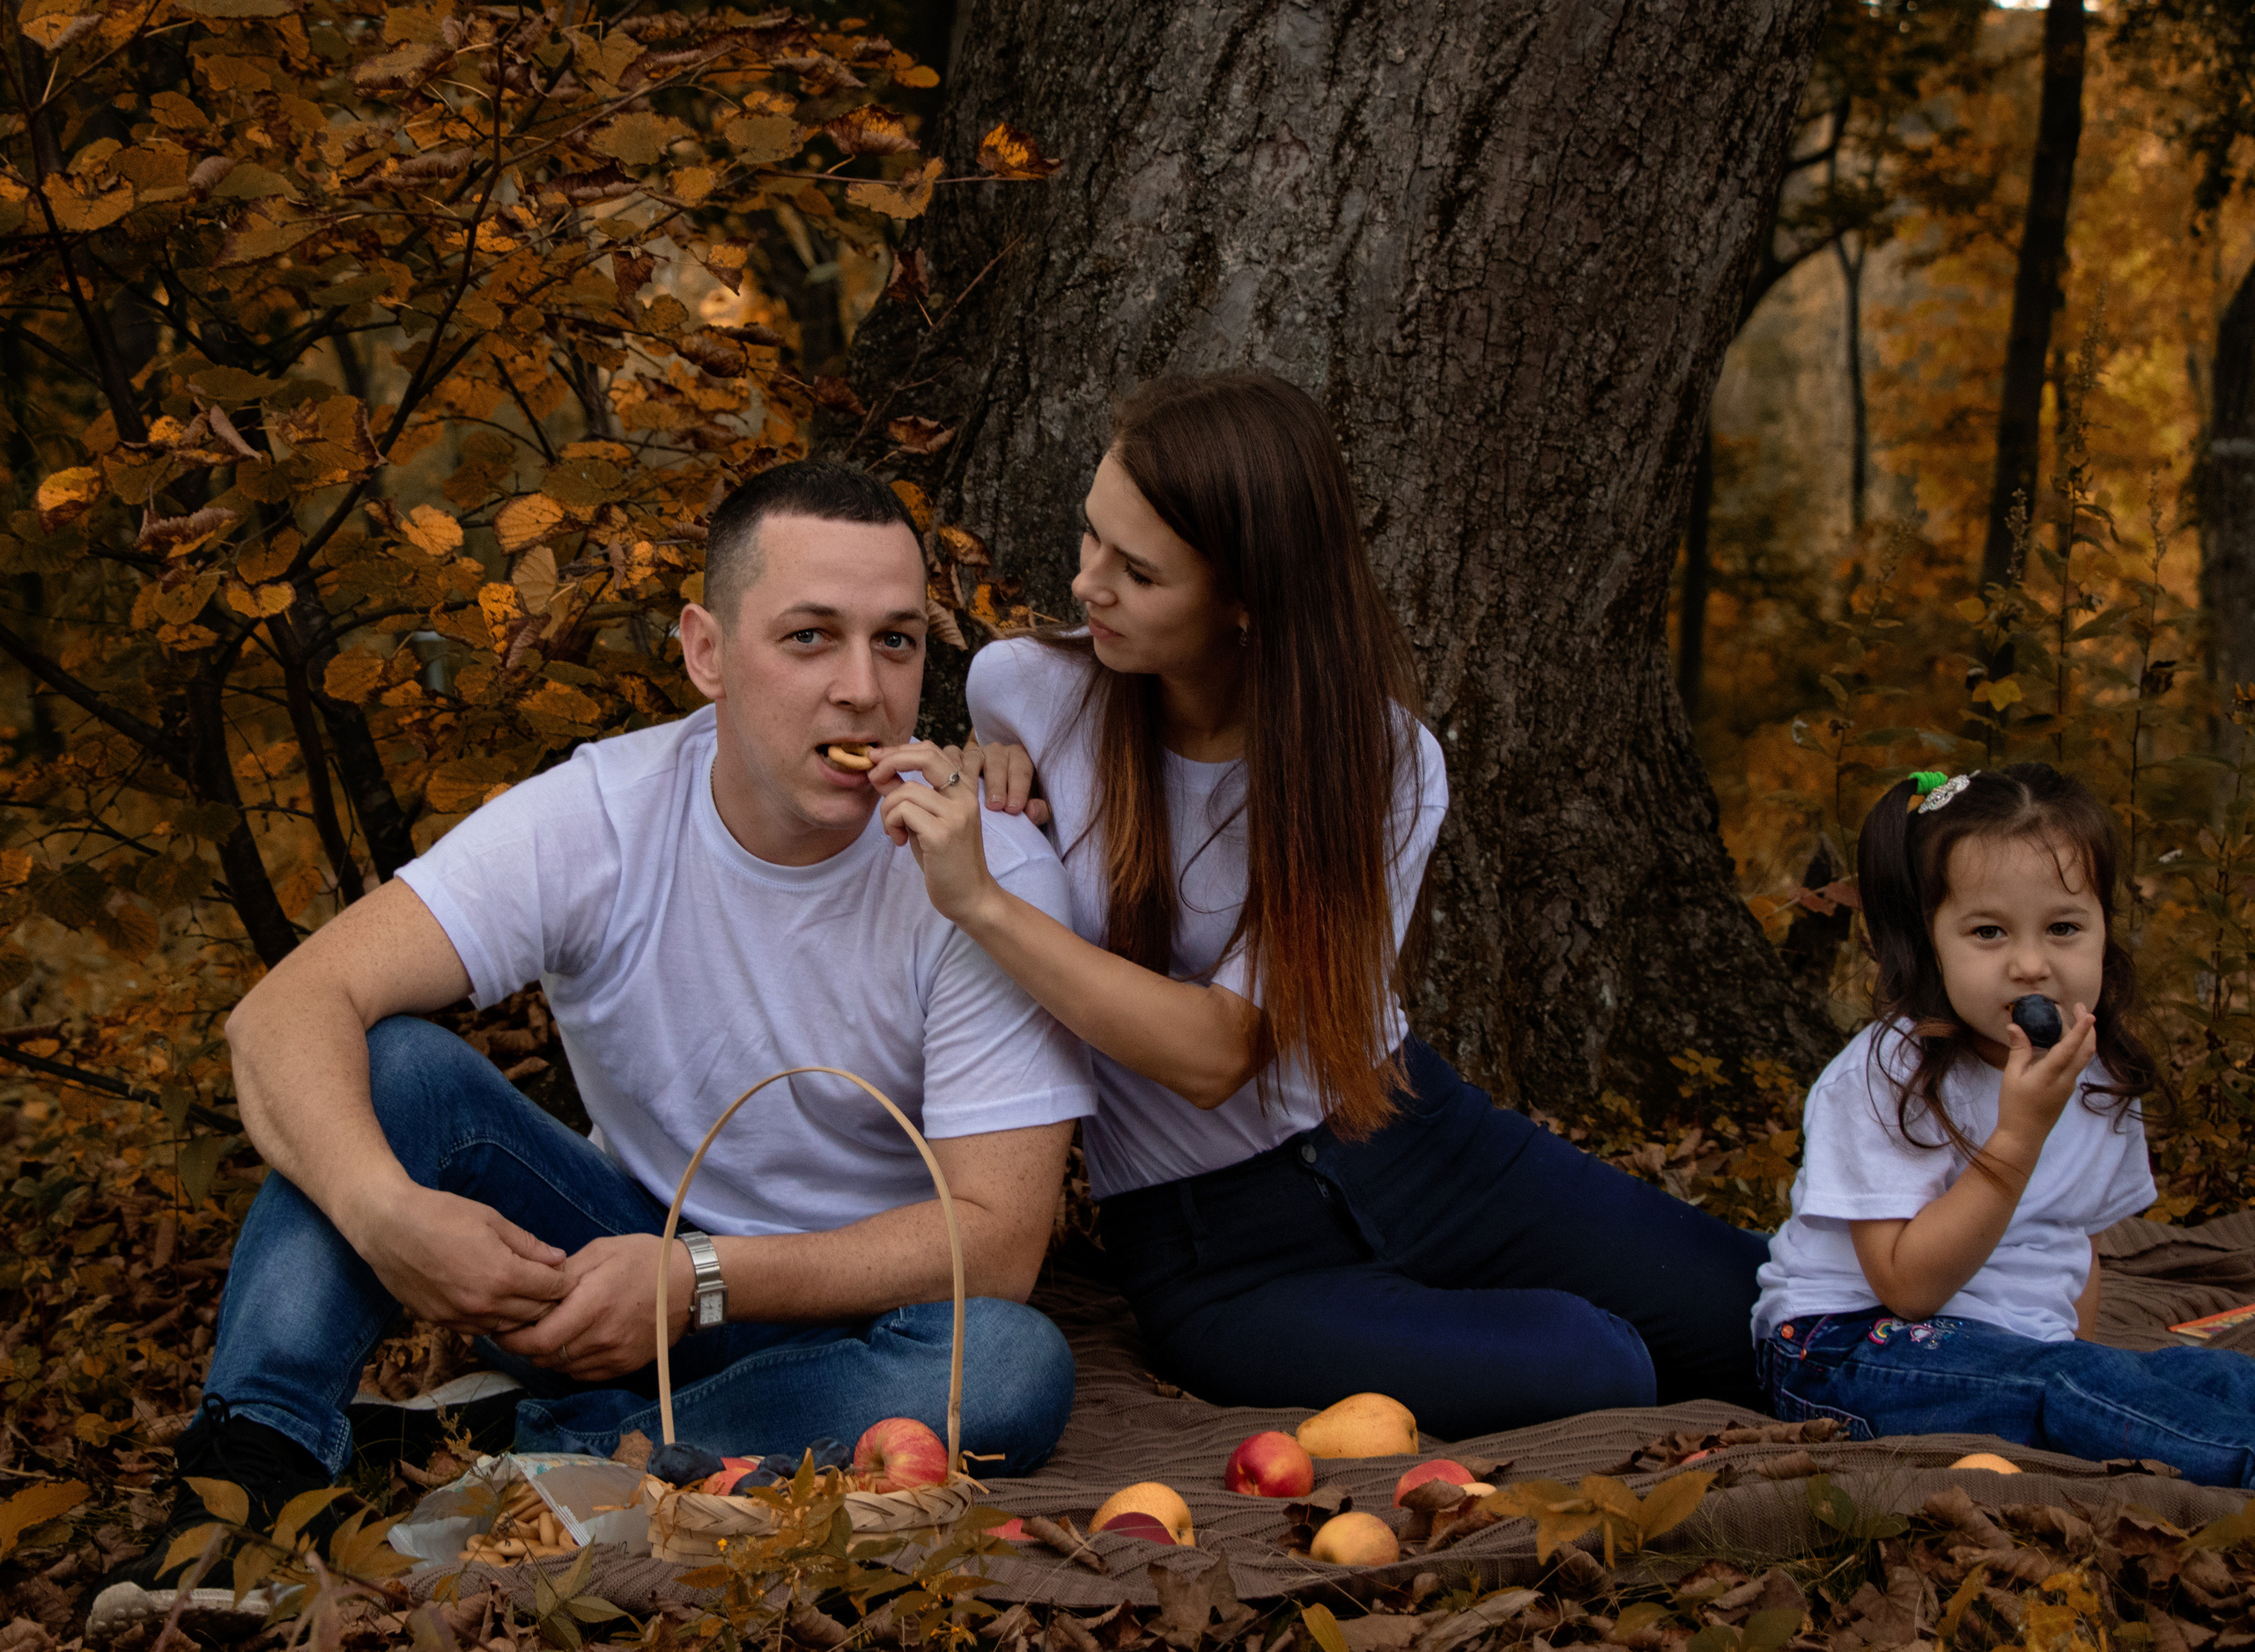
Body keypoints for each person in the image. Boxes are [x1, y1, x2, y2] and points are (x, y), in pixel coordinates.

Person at [93, 461, 1095, 1635]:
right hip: (604, 1263)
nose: (861, 691)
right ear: (707, 653)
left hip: (843, 1323)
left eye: (896, 643)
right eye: (810, 639)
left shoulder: (983, 875)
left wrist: (701, 1284)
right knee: (399, 1063)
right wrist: (388, 1217)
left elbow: (1001, 1239)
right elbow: (281, 1012)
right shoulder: (605, 815)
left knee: (1015, 1367)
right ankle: (241, 1491)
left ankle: (494, 1451)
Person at [865, 372, 1771, 1440]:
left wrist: (986, 906)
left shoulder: (1378, 760)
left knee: (1776, 1311)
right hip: (1213, 1249)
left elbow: (1219, 1052)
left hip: (1415, 1143)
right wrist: (990, 794)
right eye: (1091, 538)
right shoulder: (1024, 690)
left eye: (1138, 571)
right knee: (1592, 1363)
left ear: (1248, 596)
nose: (1086, 583)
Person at [1752, 764, 2255, 1485]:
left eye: (2064, 928)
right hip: (1845, 1350)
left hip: (2014, 1355)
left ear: (2106, 934)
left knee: (2197, 1377)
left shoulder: (2096, 1069)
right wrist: (2018, 1135)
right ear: (1930, 943)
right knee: (2065, 1387)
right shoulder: (1888, 1075)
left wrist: (2075, 1349)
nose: (2031, 964)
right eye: (1988, 931)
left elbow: (2070, 1243)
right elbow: (1908, 1287)